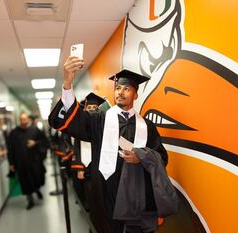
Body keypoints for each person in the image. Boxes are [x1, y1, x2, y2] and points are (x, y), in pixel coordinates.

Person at [49, 56, 178, 233]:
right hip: (106, 192)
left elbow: (161, 158)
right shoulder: (99, 120)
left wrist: (141, 156)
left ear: (135, 94)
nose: (120, 92)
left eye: (127, 88)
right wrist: (67, 83)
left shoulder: (146, 126)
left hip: (136, 194)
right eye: (118, 88)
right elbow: (74, 120)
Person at [70, 93, 106, 210]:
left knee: (101, 196)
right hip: (84, 167)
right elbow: (76, 149)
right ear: (85, 110)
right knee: (88, 195)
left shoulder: (103, 127)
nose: (91, 111)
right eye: (89, 108)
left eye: (94, 108)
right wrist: (79, 167)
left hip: (99, 166)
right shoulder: (79, 128)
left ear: (98, 109)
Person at [8, 113, 48, 210]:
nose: (24, 121)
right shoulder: (14, 133)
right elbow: (11, 148)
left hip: (34, 161)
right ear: (19, 120)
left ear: (28, 119)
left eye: (25, 119)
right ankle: (30, 200)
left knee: (36, 178)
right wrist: (11, 163)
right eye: (22, 119)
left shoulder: (35, 130)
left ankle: (37, 190)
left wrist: (35, 143)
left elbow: (44, 141)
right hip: (21, 162)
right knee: (25, 181)